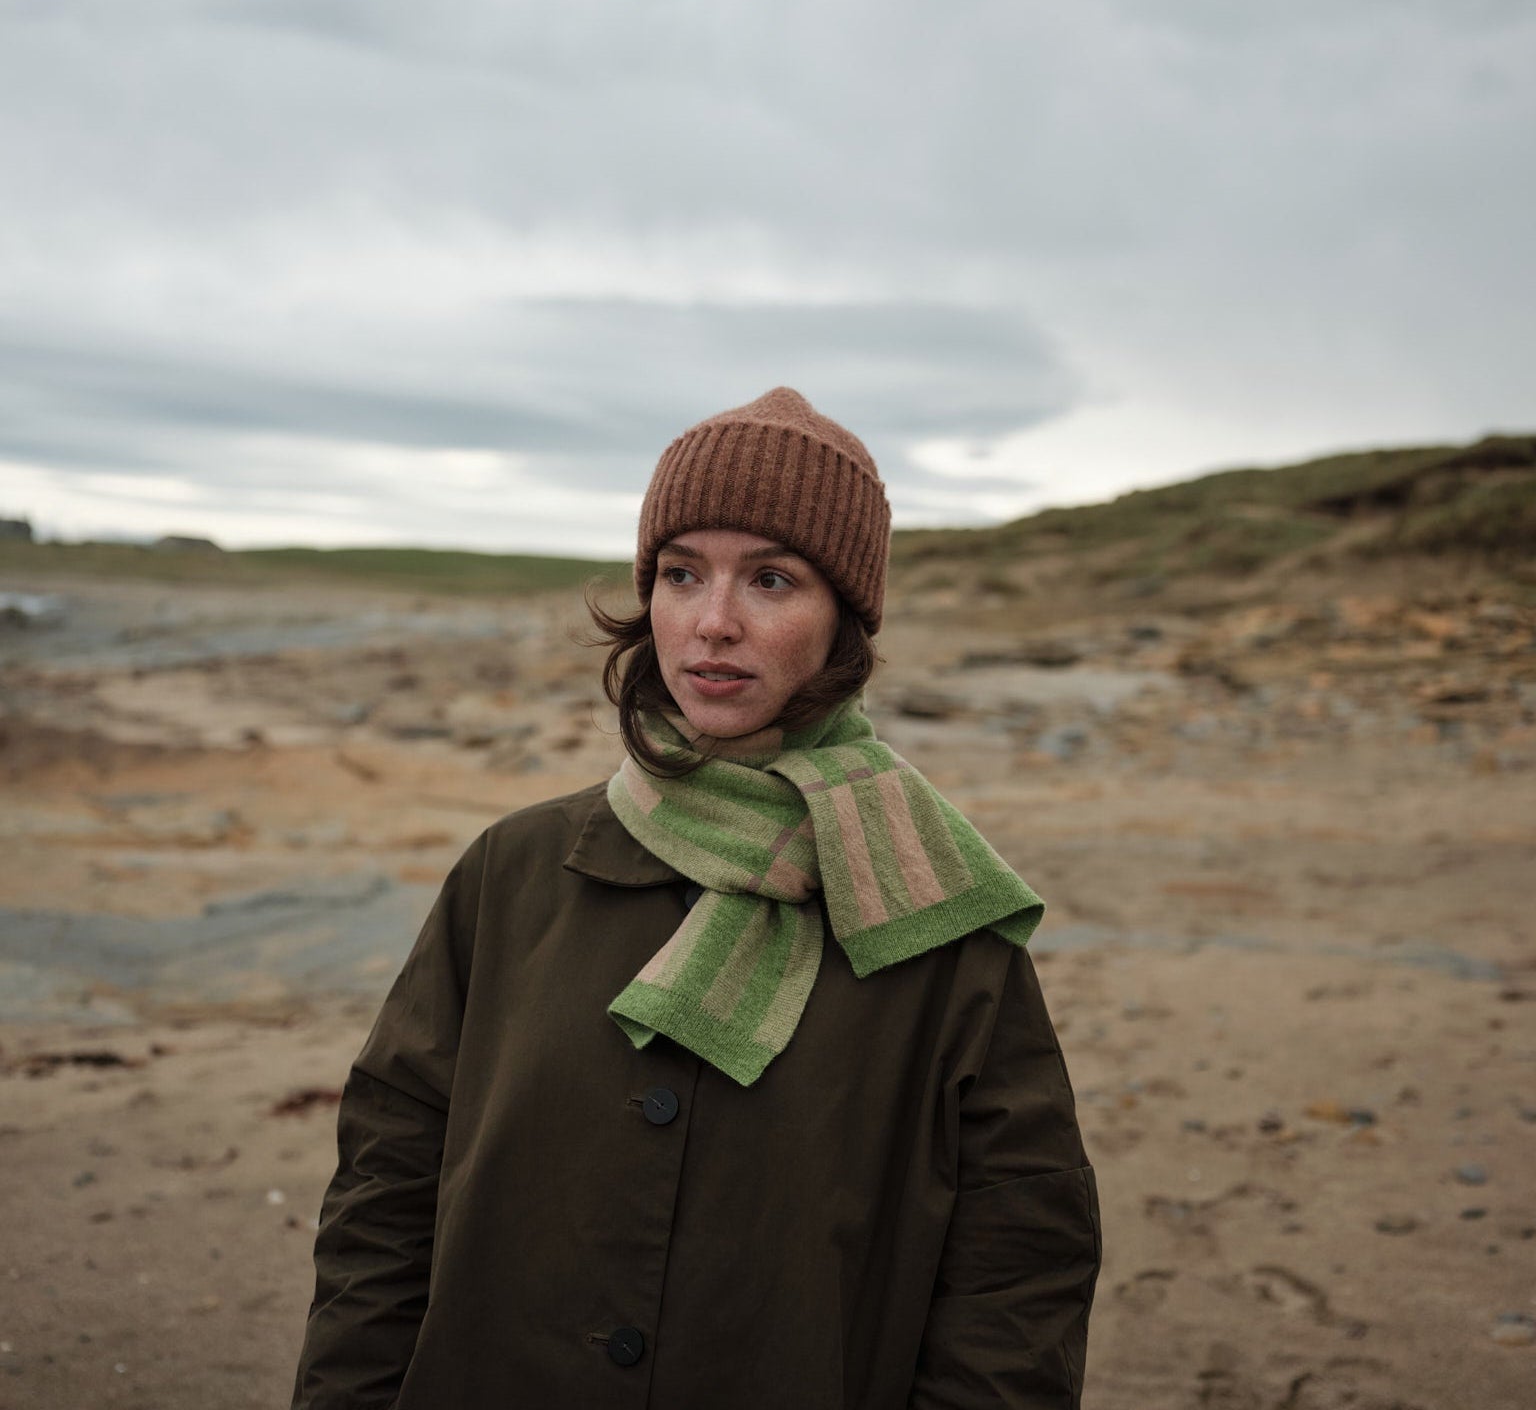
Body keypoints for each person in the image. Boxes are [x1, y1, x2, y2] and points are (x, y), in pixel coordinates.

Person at [290, 388, 1100, 1409]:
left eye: (770, 578)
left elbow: (1021, 1266)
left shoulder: (936, 914)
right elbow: (384, 1191)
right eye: (682, 575)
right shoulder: (513, 873)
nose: (714, 624)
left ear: (843, 621)